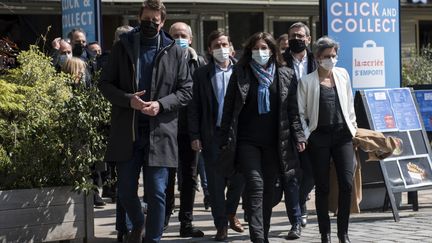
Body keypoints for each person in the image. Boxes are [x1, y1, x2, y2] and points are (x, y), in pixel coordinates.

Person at [98, 0, 193, 242]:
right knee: (126, 191)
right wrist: (128, 100)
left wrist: (160, 105)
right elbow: (105, 84)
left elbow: (186, 91)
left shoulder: (176, 52)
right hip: (127, 132)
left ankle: (154, 239)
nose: (149, 24)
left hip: (159, 132)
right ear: (139, 18)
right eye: (145, 19)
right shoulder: (123, 47)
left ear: (162, 22)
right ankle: (139, 223)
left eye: (154, 20)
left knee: (157, 193)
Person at [218, 32, 306, 243]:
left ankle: (263, 234)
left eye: (264, 48)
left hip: (275, 143)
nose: (260, 52)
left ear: (273, 51)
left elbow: (292, 111)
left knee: (268, 191)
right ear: (249, 51)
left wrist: (299, 136)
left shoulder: (285, 75)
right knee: (255, 185)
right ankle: (258, 237)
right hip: (247, 142)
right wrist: (223, 139)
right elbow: (229, 108)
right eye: (256, 49)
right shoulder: (241, 72)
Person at [297, 36, 357, 243]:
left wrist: (353, 129)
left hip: (342, 135)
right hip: (319, 136)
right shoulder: (307, 81)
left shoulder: (343, 74)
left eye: (333, 55)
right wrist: (307, 135)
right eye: (326, 56)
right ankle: (326, 233)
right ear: (317, 57)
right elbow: (301, 112)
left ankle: (343, 232)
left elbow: (349, 105)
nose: (331, 59)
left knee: (347, 184)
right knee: (322, 187)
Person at [188, 30, 245, 241]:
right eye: (216, 45)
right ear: (210, 50)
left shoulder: (242, 71)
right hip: (212, 134)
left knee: (240, 178)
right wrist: (195, 135)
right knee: (214, 182)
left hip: (238, 135)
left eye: (225, 44)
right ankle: (221, 224)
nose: (222, 49)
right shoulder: (202, 74)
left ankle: (231, 211)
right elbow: (194, 107)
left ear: (231, 48)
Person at [167, 21, 206, 237]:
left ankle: (186, 222)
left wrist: (198, 132)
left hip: (189, 130)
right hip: (166, 127)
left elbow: (202, 98)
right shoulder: (161, 60)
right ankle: (163, 219)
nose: (178, 39)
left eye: (182, 35)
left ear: (190, 39)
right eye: (174, 35)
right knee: (166, 175)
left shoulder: (197, 62)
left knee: (190, 177)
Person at [282, 22, 317, 235]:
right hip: (287, 124)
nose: (297, 39)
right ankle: (295, 220)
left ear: (308, 39)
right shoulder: (279, 61)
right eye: (293, 35)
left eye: (301, 36)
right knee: (291, 175)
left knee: (311, 172)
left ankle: (302, 200)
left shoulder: (316, 61)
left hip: (312, 123)